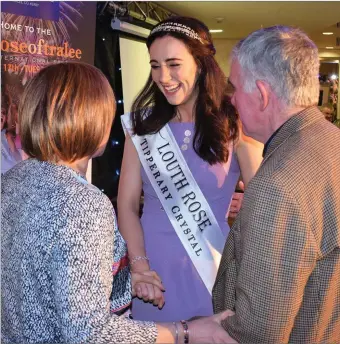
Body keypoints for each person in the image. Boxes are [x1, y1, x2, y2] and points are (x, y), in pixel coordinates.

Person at [1, 62, 236, 344]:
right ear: (94, 121)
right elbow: (88, 333)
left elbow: (45, 283)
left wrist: (128, 283)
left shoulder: (12, 181)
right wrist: (186, 332)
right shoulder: (84, 204)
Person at [118, 16, 263, 322]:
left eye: (173, 64)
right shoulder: (142, 126)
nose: (163, 76)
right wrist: (140, 266)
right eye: (155, 65)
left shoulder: (233, 124)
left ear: (200, 64)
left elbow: (265, 198)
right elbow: (127, 205)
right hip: (152, 271)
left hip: (212, 267)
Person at [213, 25, 340, 343]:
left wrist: (195, 330)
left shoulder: (276, 186)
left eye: (235, 88)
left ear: (262, 94)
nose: (232, 100)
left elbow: (260, 331)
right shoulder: (332, 141)